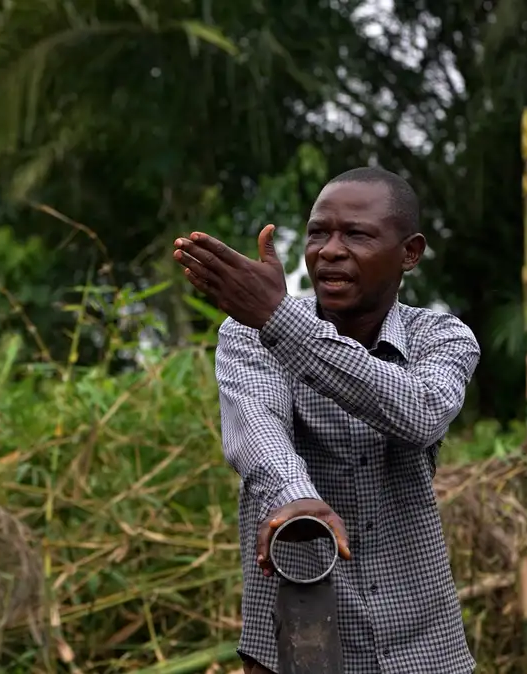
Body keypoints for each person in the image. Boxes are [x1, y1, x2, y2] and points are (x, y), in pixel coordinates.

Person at [172, 167, 480, 673]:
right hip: (296, 637)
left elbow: (422, 413)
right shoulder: (248, 332)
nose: (330, 251)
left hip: (423, 643)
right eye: (318, 233)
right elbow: (259, 429)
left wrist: (281, 320)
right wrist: (293, 498)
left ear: (409, 253)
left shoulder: (441, 336)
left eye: (356, 235)